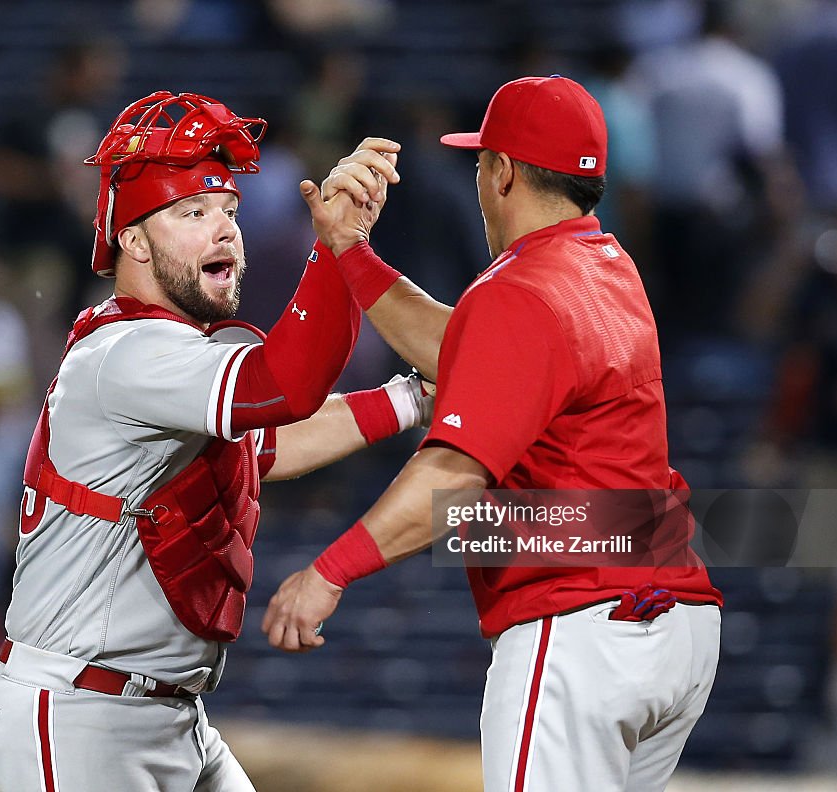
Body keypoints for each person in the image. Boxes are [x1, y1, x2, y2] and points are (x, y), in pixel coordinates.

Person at [0, 90, 431, 792]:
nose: (223, 231)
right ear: (135, 241)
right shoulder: (126, 353)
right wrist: (339, 249)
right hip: (74, 718)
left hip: (168, 717)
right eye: (192, 213)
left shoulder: (174, 354)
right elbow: (287, 386)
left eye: (229, 211)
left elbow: (270, 442)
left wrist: (412, 398)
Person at [263, 76, 724, 792]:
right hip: (678, 619)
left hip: (581, 626)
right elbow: (473, 350)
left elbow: (452, 476)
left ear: (502, 172)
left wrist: (330, 572)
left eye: (481, 162)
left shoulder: (519, 290)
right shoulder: (605, 267)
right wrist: (351, 250)